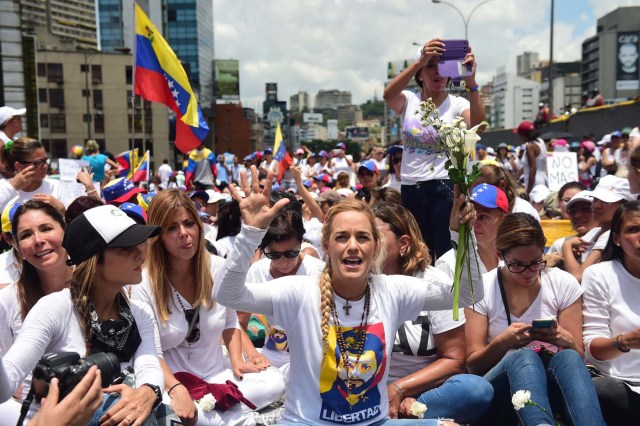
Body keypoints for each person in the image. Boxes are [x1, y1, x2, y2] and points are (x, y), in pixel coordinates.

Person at [213, 167, 483, 425]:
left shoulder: (393, 290)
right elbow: (227, 294)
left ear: (376, 246)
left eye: (363, 237)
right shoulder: (299, 291)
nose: (353, 246)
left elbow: (469, 294)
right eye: (342, 237)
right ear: (326, 245)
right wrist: (250, 235)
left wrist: (462, 233)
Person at [132, 189, 285, 425]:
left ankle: (221, 417)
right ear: (158, 235)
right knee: (168, 409)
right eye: (172, 228)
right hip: (175, 385)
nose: (184, 234)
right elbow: (150, 352)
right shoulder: (144, 283)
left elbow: (230, 321)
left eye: (189, 223)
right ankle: (238, 417)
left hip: (218, 376)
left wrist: (237, 359)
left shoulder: (217, 267)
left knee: (275, 382)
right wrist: (176, 388)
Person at [0, 204, 164, 424]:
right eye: (125, 248)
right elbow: (7, 382)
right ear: (94, 259)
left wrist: (148, 392)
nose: (140, 253)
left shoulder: (140, 312)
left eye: (139, 244)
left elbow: (150, 365)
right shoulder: (55, 307)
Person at [465, 212, 605, 426]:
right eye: (517, 264)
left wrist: (564, 340)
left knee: (568, 358)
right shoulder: (482, 289)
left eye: (536, 262)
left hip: (553, 380)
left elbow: (578, 357)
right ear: (499, 255)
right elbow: (473, 366)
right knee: (524, 357)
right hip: (501, 388)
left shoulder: (562, 283)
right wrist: (504, 343)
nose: (528, 272)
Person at [373, 202, 493, 424]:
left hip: (422, 393)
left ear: (403, 243)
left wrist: (401, 389)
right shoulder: (354, 285)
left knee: (476, 389)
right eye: (363, 236)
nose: (366, 244)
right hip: (366, 396)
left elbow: (454, 359)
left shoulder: (433, 284)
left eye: (375, 236)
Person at [383, 37, 484, 260]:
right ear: (420, 73)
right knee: (418, 254)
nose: (437, 72)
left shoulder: (457, 104)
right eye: (430, 66)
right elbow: (388, 95)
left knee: (446, 253)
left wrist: (472, 83)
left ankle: (449, 295)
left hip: (445, 186)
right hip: (411, 186)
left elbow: (477, 126)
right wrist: (419, 61)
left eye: (442, 66)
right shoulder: (409, 100)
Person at [0, 201, 71, 423]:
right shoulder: (8, 300)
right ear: (17, 246)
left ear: (64, 230)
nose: (38, 240)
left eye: (46, 229)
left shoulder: (99, 287)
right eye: (27, 235)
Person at [241, 199, 325, 379]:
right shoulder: (256, 272)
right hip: (269, 358)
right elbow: (238, 323)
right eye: (274, 255)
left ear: (301, 242)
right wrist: (252, 354)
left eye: (291, 253)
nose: (284, 262)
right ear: (264, 249)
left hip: (312, 359)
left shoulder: (319, 271)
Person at [582, 201, 640, 425]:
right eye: (633, 229)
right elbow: (592, 349)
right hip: (618, 385)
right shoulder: (599, 275)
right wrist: (625, 342)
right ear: (616, 238)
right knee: (601, 390)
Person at [0, 138, 92, 214]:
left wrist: (61, 209)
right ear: (19, 166)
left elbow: (73, 224)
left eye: (45, 160)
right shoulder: (4, 187)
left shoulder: (56, 187)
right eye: (38, 162)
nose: (45, 166)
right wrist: (11, 188)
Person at [515, 120, 547, 195]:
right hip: (543, 178)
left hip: (534, 182)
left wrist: (529, 190)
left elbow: (533, 169)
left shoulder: (530, 146)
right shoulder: (540, 141)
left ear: (523, 135)